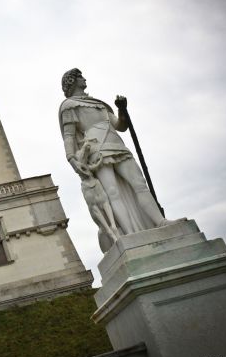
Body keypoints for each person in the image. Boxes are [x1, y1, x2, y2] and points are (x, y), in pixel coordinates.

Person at [59, 68, 166, 237]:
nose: (84, 78)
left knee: (139, 184)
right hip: (96, 150)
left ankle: (160, 222)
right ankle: (130, 234)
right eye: (80, 76)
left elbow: (121, 126)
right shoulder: (69, 106)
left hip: (117, 144)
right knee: (112, 193)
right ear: (72, 81)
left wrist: (122, 109)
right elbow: (69, 135)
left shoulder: (99, 104)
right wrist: (71, 158)